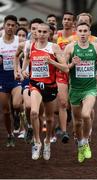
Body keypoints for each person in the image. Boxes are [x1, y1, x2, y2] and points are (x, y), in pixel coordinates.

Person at [21, 23, 69, 160]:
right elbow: (26, 59)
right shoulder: (31, 46)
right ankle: (37, 142)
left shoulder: (53, 47)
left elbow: (65, 68)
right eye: (39, 31)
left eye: (44, 32)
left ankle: (47, 141)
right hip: (35, 84)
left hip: (50, 86)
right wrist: (23, 70)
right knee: (35, 112)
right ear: (35, 32)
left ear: (49, 34)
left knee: (49, 118)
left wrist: (51, 62)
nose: (41, 34)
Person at [64, 22, 97, 163]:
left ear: (89, 33)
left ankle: (86, 141)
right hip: (75, 89)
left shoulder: (96, 47)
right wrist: (72, 64)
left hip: (91, 87)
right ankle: (81, 144)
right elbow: (64, 68)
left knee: (86, 114)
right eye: (80, 31)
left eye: (85, 31)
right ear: (76, 32)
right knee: (77, 123)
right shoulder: (70, 47)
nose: (82, 33)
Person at [53, 12, 76, 143]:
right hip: (60, 72)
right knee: (62, 103)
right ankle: (62, 126)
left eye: (69, 20)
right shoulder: (57, 36)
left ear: (73, 23)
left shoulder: (76, 37)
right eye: (64, 19)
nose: (66, 21)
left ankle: (64, 127)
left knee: (72, 103)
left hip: (73, 73)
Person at [0, 15, 22, 147]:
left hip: (16, 77)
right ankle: (10, 135)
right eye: (8, 24)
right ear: (4, 25)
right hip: (2, 78)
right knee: (6, 111)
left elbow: (27, 58)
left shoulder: (20, 41)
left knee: (17, 104)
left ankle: (19, 115)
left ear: (16, 27)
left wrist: (22, 70)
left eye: (13, 25)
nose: (10, 27)